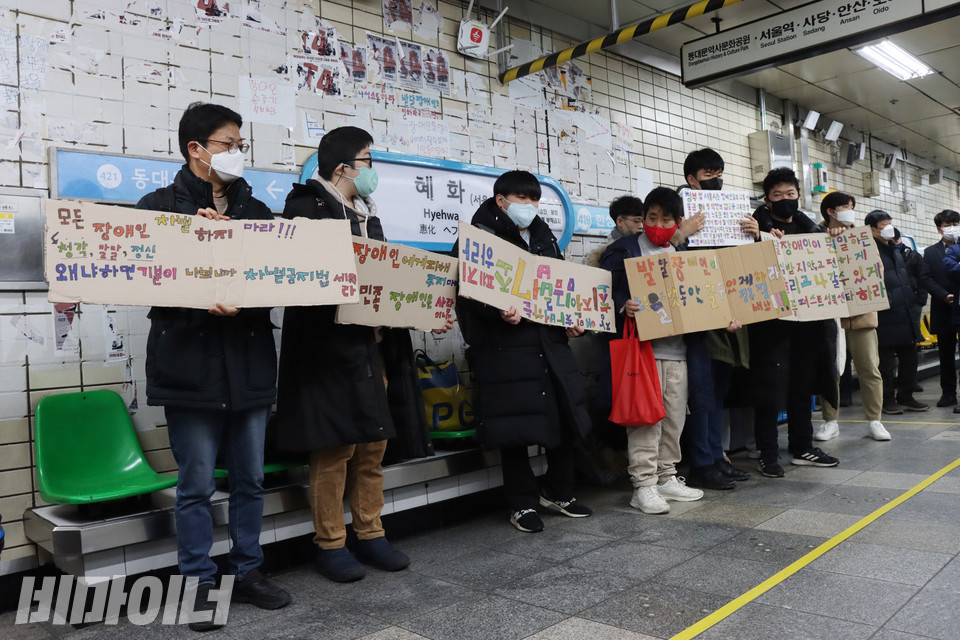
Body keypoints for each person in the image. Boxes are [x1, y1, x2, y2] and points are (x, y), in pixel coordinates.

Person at [136, 102, 291, 631]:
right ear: (195, 149)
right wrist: (189, 240)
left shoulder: (258, 213)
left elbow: (279, 280)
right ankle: (198, 582)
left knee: (250, 480)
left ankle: (248, 571)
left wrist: (244, 301)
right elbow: (141, 279)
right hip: (189, 367)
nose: (237, 153)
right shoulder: (158, 208)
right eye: (228, 144)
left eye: (240, 145)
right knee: (196, 484)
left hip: (248, 363)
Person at [275, 126, 445, 582]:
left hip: (373, 350)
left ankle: (371, 532)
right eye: (368, 160)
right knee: (335, 449)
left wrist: (419, 310)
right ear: (342, 167)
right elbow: (306, 277)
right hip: (329, 352)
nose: (373, 170)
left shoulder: (369, 214)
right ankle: (330, 542)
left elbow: (385, 283)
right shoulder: (306, 208)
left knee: (372, 447)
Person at [456, 170, 593, 533]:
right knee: (513, 430)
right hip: (505, 350)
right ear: (501, 201)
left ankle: (560, 492)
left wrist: (570, 321)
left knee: (563, 418)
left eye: (534, 199)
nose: (529, 206)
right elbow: (465, 293)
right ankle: (521, 503)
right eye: (522, 199)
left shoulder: (544, 237)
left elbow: (560, 289)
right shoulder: (478, 237)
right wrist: (496, 310)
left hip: (550, 346)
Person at [599, 187, 706, 513]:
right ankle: (643, 485)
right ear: (642, 218)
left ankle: (666, 477)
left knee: (674, 419)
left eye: (666, 219)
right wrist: (623, 306)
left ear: (678, 222)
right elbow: (602, 293)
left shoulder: (683, 253)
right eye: (652, 217)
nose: (658, 225)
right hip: (642, 352)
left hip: (678, 351)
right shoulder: (623, 251)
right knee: (645, 420)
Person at [676, 148, 757, 490]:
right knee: (702, 392)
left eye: (719, 174)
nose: (716, 180)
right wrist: (681, 233)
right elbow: (664, 259)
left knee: (718, 389)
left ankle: (716, 456)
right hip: (699, 314)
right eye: (708, 175)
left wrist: (756, 234)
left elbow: (745, 263)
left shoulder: (730, 212)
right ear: (691, 180)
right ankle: (702, 463)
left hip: (730, 313)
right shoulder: (677, 213)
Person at [750, 168, 839, 477]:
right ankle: (767, 453)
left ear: (799, 195)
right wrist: (761, 242)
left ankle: (802, 447)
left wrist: (835, 240)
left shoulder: (811, 230)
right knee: (769, 389)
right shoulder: (755, 228)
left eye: (790, 193)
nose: (785, 199)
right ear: (767, 200)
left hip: (808, 323)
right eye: (777, 195)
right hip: (770, 324)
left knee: (803, 385)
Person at [814, 192, 890, 442]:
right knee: (830, 370)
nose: (850, 211)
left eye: (851, 207)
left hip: (862, 314)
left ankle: (875, 420)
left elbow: (877, 270)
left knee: (869, 368)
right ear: (830, 211)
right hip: (830, 316)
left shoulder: (863, 237)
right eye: (845, 207)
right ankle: (830, 421)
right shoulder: (815, 236)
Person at [864, 210, 928, 414]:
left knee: (910, 357)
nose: (888, 227)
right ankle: (887, 399)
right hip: (885, 313)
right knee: (885, 362)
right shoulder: (867, 250)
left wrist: (914, 301)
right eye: (883, 224)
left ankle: (906, 396)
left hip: (906, 310)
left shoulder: (895, 249)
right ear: (871, 229)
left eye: (889, 222)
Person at [921, 210, 960, 409]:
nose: (952, 227)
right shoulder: (930, 252)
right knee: (946, 355)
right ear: (939, 229)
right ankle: (948, 393)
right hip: (943, 307)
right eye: (947, 224)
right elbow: (926, 278)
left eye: (955, 223)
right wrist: (944, 295)